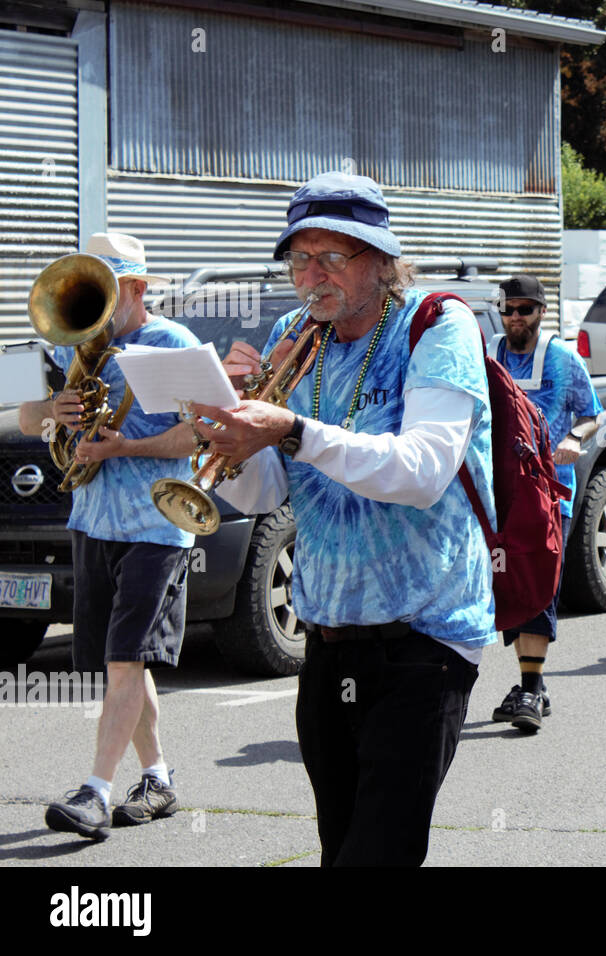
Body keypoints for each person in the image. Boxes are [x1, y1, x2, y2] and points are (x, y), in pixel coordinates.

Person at [192, 172, 495, 866]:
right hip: (328, 633)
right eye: (300, 259)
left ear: (381, 260)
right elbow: (267, 494)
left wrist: (292, 427)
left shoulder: (437, 324)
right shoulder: (292, 334)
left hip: (426, 634)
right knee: (340, 848)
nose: (312, 276)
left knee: (377, 854)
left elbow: (421, 474)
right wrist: (231, 437)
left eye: (334, 257)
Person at [19, 233, 199, 841]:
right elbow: (20, 415)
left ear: (137, 289)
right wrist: (54, 408)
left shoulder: (172, 344)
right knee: (120, 664)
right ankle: (159, 777)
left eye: (105, 288)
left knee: (124, 660)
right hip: (92, 522)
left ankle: (93, 793)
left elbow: (197, 436)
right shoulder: (81, 351)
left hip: (156, 525)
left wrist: (124, 446)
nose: (93, 310)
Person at [488, 274, 600, 733]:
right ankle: (529, 683)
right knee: (502, 585)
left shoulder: (563, 359)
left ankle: (530, 687)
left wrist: (574, 438)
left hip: (547, 493)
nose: (516, 318)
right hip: (495, 491)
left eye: (525, 310)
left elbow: (591, 414)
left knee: (536, 584)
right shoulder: (486, 354)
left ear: (541, 312)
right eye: (509, 309)